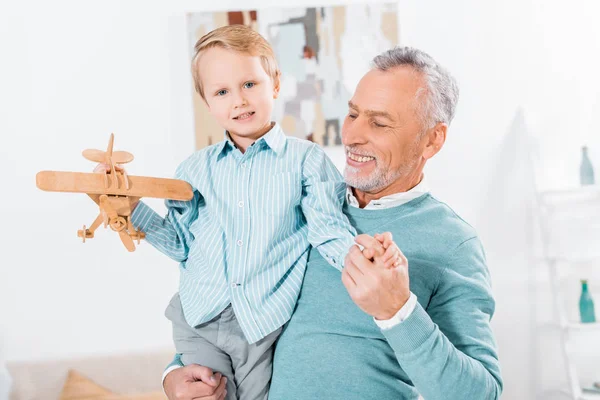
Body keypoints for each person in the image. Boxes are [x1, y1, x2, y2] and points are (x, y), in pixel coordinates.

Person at [162, 46, 503, 400]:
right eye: (353, 114)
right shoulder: (296, 201)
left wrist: (398, 311)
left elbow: (480, 394)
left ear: (432, 139)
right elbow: (228, 309)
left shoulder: (452, 242)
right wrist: (175, 375)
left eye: (379, 122)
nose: (353, 135)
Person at [98, 25, 399, 400]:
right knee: (206, 392)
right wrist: (131, 209)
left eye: (249, 85)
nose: (238, 101)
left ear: (275, 83)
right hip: (199, 318)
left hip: (263, 325)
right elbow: (179, 244)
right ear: (207, 103)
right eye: (222, 92)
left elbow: (326, 228)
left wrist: (359, 254)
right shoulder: (193, 171)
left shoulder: (306, 161)